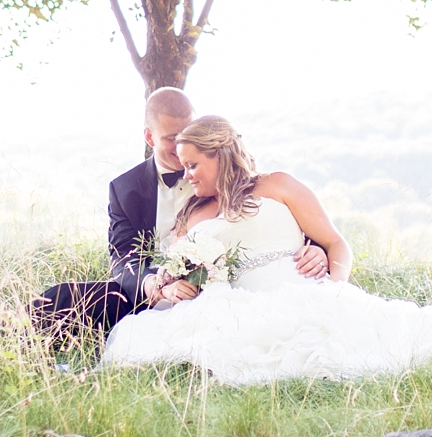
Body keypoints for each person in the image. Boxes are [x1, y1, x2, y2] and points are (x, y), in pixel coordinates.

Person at [101, 116, 432, 383]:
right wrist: (179, 285)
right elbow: (185, 277)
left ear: (220, 154)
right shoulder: (193, 214)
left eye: (194, 164)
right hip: (236, 303)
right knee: (148, 341)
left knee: (405, 338)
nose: (187, 175)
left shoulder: (278, 185)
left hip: (305, 293)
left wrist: (333, 282)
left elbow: (336, 243)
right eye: (183, 166)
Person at [30, 89, 327, 342]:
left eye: (188, 134)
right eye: (172, 137)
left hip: (233, 288)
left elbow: (279, 223)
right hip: (161, 291)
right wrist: (156, 285)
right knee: (65, 299)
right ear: (149, 137)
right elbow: (123, 258)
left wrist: (317, 249)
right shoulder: (125, 189)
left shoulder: (233, 172)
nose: (181, 145)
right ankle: (20, 344)